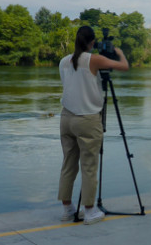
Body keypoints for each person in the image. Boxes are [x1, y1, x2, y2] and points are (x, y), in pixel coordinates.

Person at [58, 25, 129, 225]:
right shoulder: (94, 60)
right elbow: (124, 66)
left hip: (66, 118)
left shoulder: (64, 61)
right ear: (92, 43)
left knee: (68, 164)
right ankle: (89, 210)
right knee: (89, 166)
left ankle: (66, 208)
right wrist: (119, 52)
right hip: (87, 118)